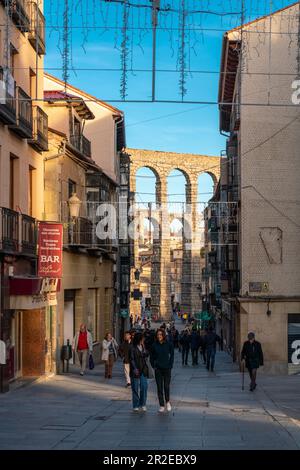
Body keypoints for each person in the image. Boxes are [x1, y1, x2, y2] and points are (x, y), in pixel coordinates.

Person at [150, 329, 174, 413]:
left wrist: (170, 365)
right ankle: (161, 405)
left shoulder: (169, 344)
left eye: (160, 334)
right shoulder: (154, 345)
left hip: (167, 368)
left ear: (163, 335)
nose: (159, 336)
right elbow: (151, 357)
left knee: (166, 386)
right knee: (159, 387)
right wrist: (154, 366)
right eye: (158, 334)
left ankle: (167, 401)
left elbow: (172, 355)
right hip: (158, 369)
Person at [130, 332, 149, 412]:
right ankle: (135, 405)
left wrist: (144, 349)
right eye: (142, 338)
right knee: (135, 387)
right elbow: (131, 359)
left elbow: (147, 354)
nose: (143, 340)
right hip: (136, 370)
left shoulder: (143, 346)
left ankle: (143, 404)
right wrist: (134, 368)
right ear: (139, 339)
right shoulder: (132, 348)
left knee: (144, 387)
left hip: (143, 369)